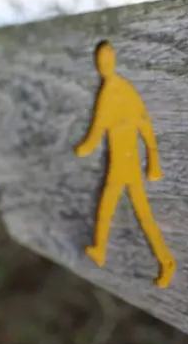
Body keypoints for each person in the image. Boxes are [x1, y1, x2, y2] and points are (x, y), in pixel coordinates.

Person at [75, 40, 175, 288]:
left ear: (114, 61)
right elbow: (98, 129)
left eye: (107, 61)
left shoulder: (119, 90)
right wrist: (85, 146)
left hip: (126, 166)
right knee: (109, 206)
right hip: (118, 165)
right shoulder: (109, 89)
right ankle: (100, 248)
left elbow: (142, 123)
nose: (103, 66)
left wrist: (153, 160)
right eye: (100, 63)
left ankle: (166, 260)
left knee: (139, 213)